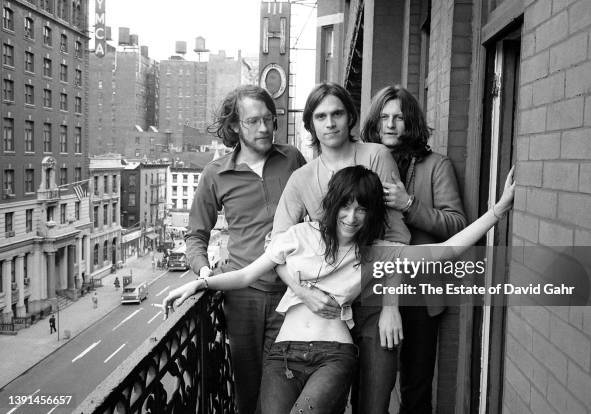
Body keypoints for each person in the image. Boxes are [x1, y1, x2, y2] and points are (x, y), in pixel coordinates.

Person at [164, 165, 515, 414]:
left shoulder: (375, 252)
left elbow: (446, 250)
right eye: (346, 205)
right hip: (282, 354)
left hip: (333, 356)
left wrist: (497, 211)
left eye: (362, 208)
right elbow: (244, 276)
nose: (352, 216)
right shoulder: (298, 236)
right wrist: (200, 283)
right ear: (334, 204)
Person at [272, 82, 410, 413]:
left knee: (374, 403)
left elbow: (397, 237)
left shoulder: (377, 156)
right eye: (321, 116)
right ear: (310, 124)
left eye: (337, 114)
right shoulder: (303, 179)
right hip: (327, 312)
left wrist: (392, 306)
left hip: (375, 301)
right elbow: (276, 248)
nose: (330, 123)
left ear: (350, 117)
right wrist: (303, 292)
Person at [186, 85, 306, 414]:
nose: (265, 128)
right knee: (248, 393)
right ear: (236, 126)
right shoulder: (215, 174)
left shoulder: (292, 159)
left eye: (269, 119)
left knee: (285, 392)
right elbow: (195, 234)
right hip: (243, 298)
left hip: (292, 294)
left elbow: (316, 213)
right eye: (254, 121)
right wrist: (205, 271)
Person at [362, 85, 467, 413]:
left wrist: (410, 204)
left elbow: (456, 225)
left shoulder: (436, 165)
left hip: (420, 294)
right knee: (369, 384)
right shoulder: (365, 163)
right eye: (384, 117)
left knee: (416, 386)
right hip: (372, 288)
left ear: (412, 123)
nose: (391, 124)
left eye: (399, 118)